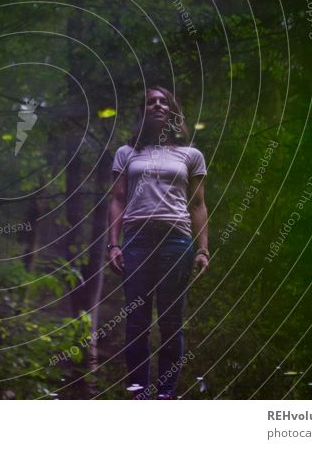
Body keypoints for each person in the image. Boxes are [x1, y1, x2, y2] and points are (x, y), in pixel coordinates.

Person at [107, 85, 209, 399]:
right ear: (144, 111)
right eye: (152, 102)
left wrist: (203, 248)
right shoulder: (127, 152)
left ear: (173, 111)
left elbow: (198, 205)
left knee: (170, 320)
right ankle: (140, 392)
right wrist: (113, 244)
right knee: (136, 320)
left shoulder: (191, 154)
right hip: (136, 241)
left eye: (164, 101)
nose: (158, 105)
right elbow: (117, 199)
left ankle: (166, 393)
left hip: (176, 242)